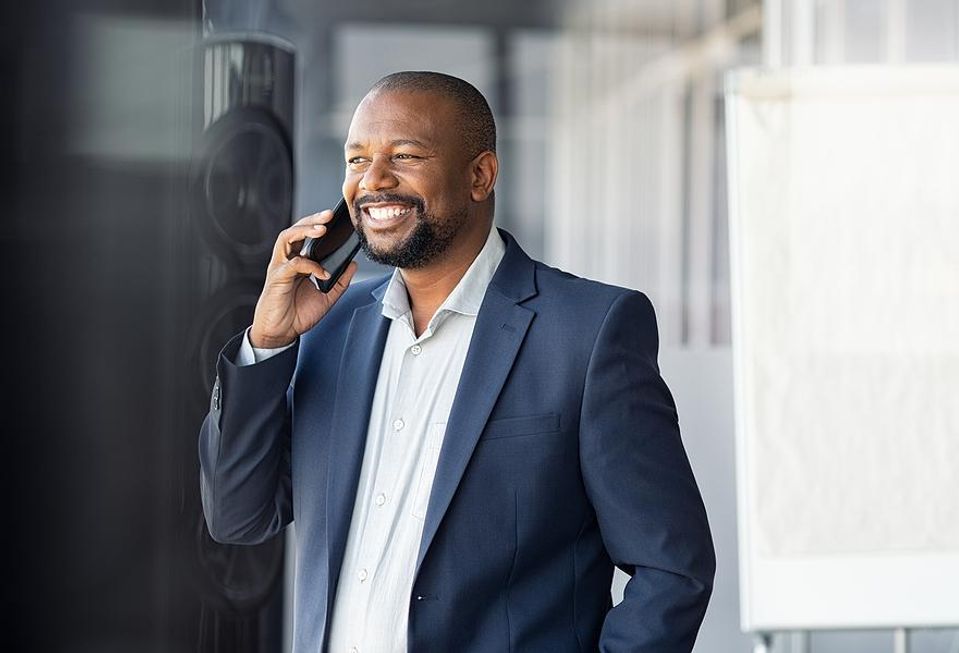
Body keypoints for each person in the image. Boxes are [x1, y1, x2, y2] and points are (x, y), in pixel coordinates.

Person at [199, 71, 715, 653]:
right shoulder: (327, 331)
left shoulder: (588, 332)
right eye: (356, 160)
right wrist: (267, 342)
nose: (374, 181)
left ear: (480, 175)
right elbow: (238, 517)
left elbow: (672, 568)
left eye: (405, 155)